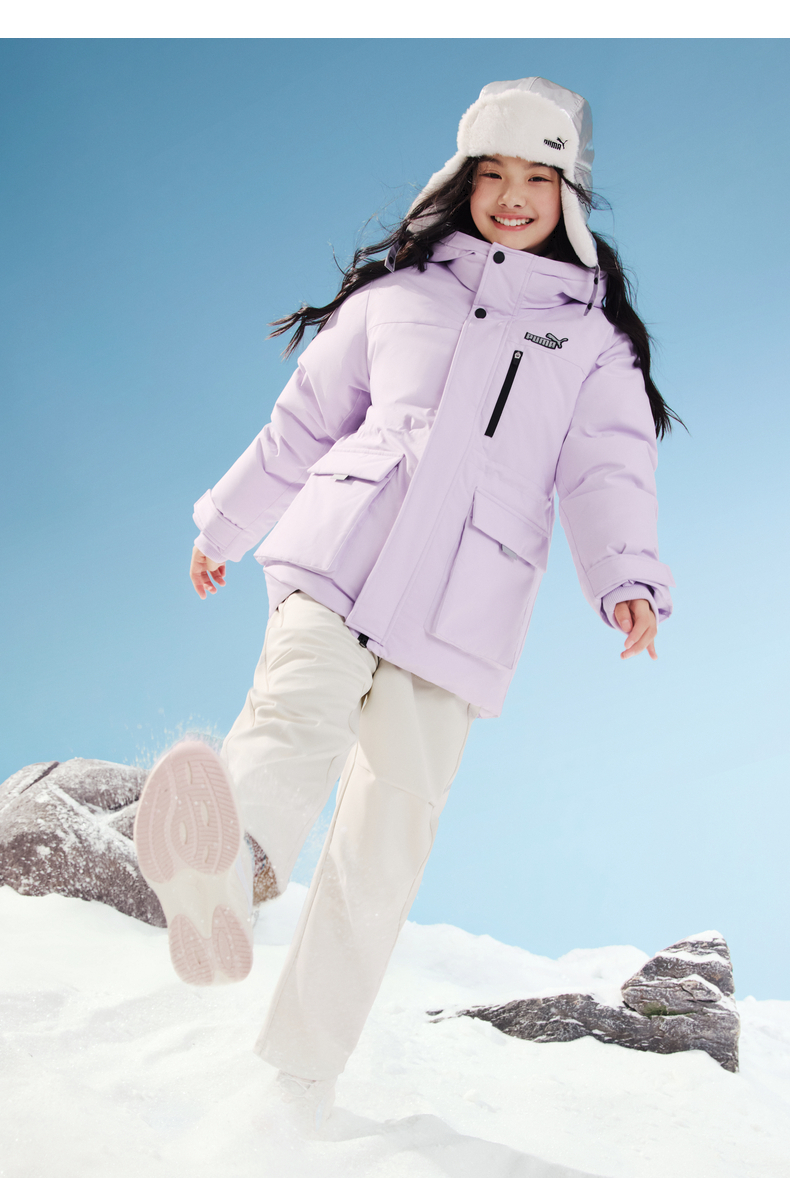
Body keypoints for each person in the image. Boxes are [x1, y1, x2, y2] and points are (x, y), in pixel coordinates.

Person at [134, 76, 678, 1128]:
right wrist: (224, 523)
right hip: (340, 554)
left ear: (568, 193)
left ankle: (302, 1073)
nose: (511, 196)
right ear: (460, 180)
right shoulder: (397, 297)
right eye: (492, 174)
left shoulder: (590, 340)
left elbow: (609, 468)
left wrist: (627, 579)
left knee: (387, 838)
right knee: (291, 714)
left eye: (536, 178)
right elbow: (303, 422)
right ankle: (224, 870)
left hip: (459, 612)